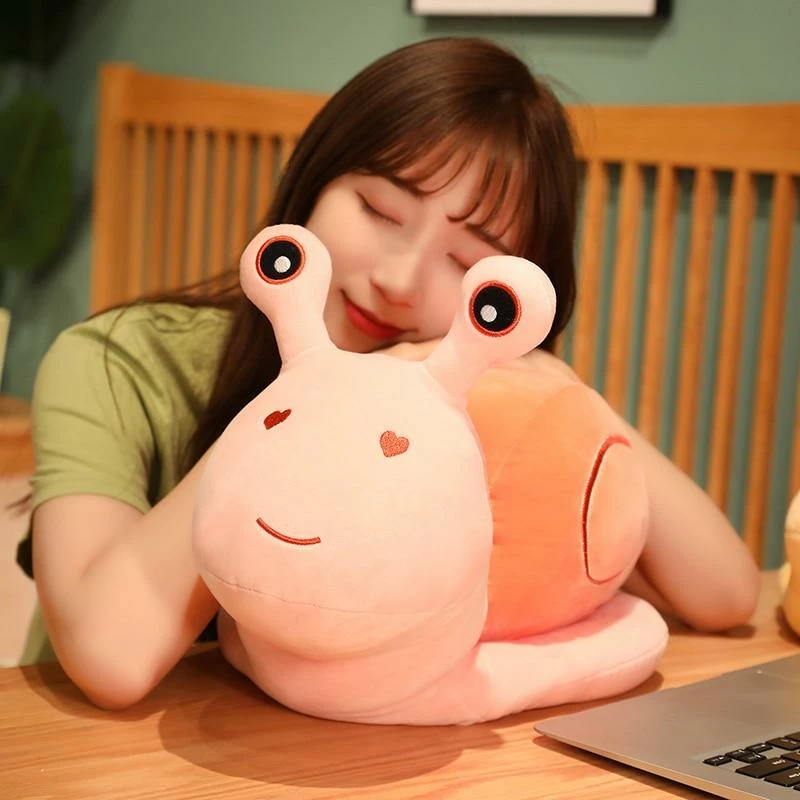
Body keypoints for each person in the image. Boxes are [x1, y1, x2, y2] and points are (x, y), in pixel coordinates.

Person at [21, 37, 759, 710]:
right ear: (312, 184)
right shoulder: (119, 360)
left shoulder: (472, 419)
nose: (400, 281)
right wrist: (311, 394)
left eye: (466, 261)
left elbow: (725, 593)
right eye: (379, 210)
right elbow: (110, 656)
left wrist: (542, 381)